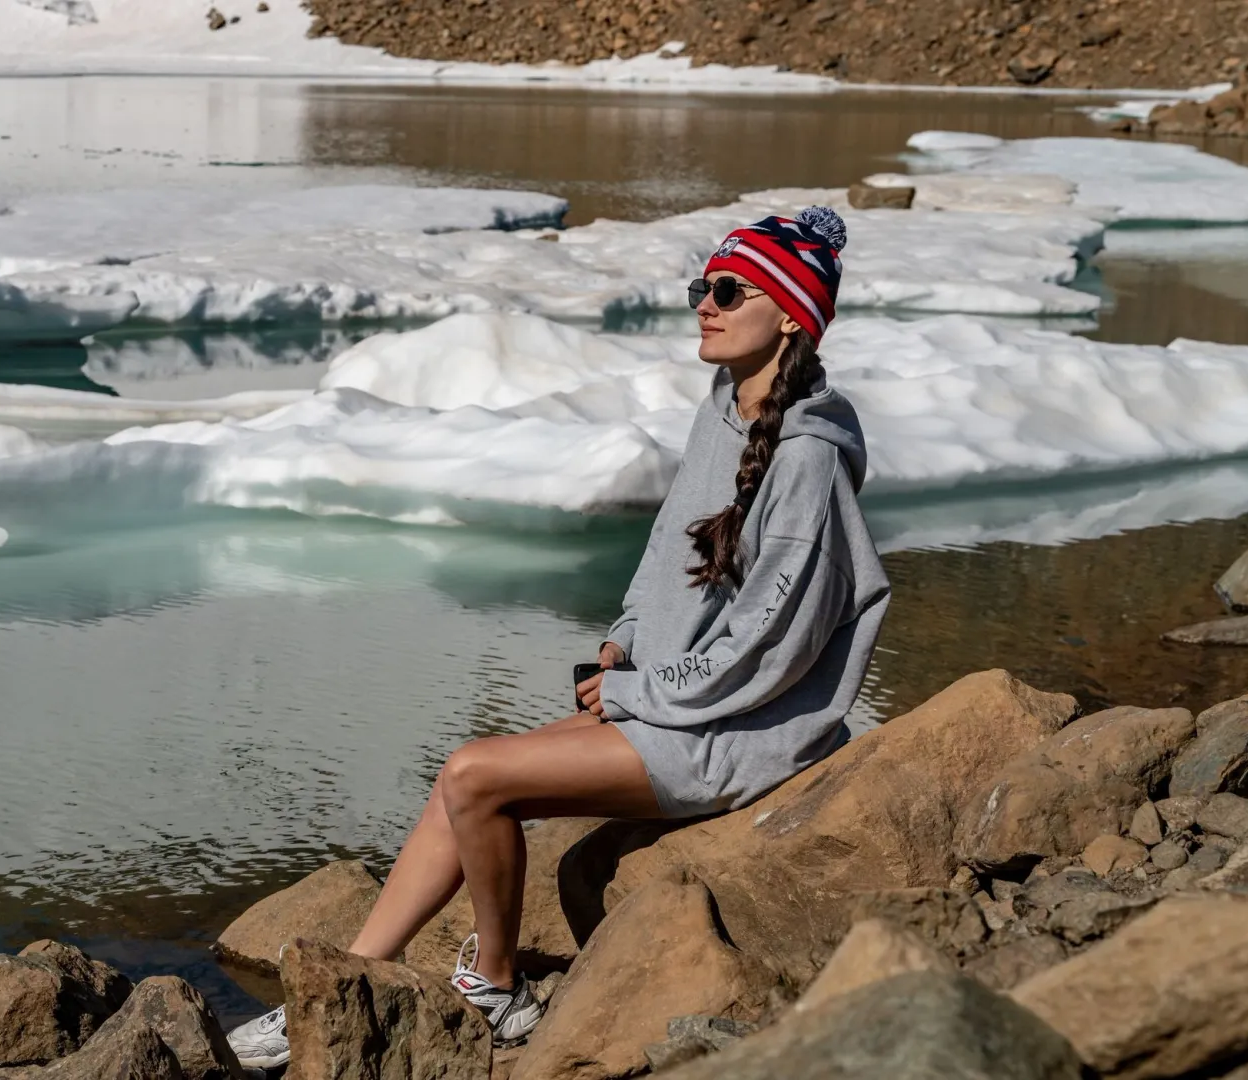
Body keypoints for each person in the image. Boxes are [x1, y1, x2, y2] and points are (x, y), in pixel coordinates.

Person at [225, 206, 892, 1070]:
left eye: (729, 290)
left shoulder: (807, 459)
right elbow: (669, 554)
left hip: (741, 736)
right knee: (460, 780)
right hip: (680, 708)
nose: (705, 304)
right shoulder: (726, 406)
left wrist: (635, 694)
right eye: (703, 288)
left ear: (792, 317)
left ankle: (495, 986)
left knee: (477, 776)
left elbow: (775, 645)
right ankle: (350, 976)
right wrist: (625, 638)